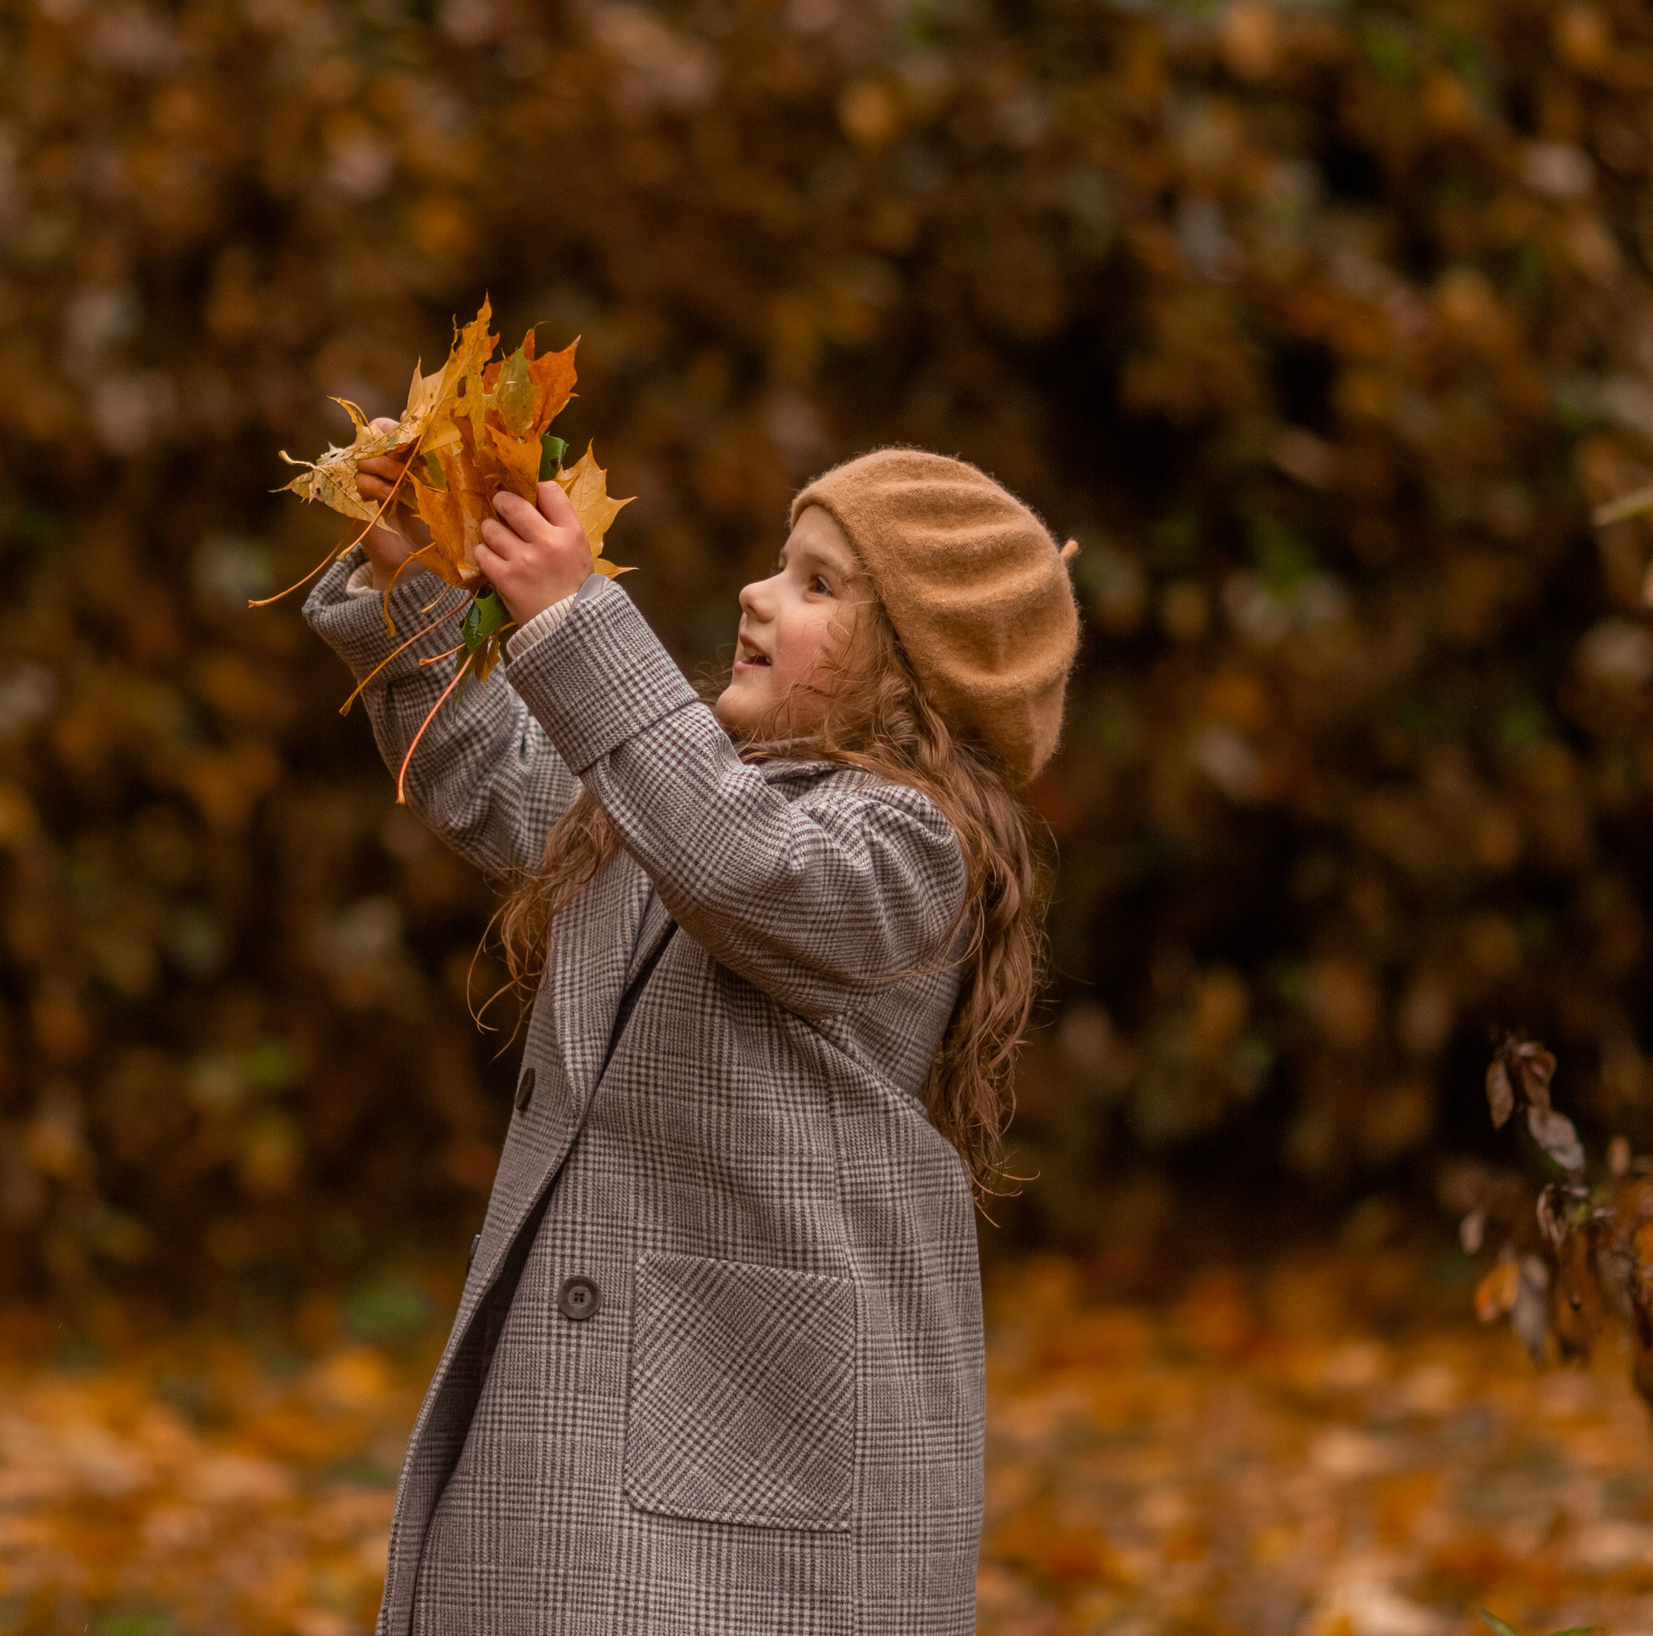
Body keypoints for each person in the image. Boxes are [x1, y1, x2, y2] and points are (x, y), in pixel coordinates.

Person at [303, 439, 1079, 1633]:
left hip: (750, 1485)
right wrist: (413, 586)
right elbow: (508, 778)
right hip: (604, 1456)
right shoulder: (690, 804)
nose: (756, 596)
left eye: (819, 584)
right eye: (780, 565)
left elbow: (746, 864)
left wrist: (573, 620)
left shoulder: (913, 853)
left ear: (916, 672)